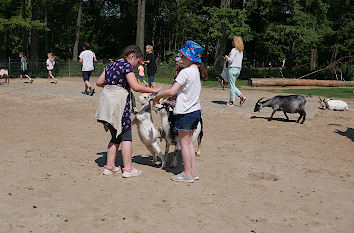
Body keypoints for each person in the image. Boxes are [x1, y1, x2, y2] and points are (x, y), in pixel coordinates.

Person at [95, 45, 161, 178]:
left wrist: (113, 87)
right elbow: (136, 87)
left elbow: (99, 82)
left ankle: (109, 167)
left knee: (115, 136)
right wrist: (153, 90)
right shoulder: (126, 66)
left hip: (108, 106)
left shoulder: (111, 65)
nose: (137, 65)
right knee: (126, 136)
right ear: (131, 56)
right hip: (120, 105)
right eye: (137, 61)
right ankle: (128, 169)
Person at [153, 40, 208, 183]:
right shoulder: (196, 72)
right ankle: (193, 171)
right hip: (195, 111)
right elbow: (183, 92)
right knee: (189, 143)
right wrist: (171, 99)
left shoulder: (185, 72)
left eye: (183, 55)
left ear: (190, 57)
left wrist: (157, 96)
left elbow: (172, 90)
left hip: (185, 113)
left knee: (184, 143)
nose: (180, 57)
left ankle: (187, 174)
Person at [224, 36, 246, 106]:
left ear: (235, 42)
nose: (232, 42)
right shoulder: (241, 51)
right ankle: (241, 96)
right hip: (238, 70)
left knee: (231, 86)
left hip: (232, 69)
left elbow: (231, 60)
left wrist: (227, 57)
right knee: (232, 85)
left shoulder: (234, 50)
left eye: (233, 41)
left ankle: (231, 102)